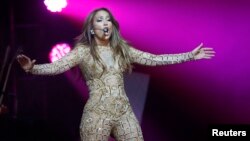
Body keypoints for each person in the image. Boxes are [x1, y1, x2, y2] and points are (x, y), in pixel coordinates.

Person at [17, 7, 215, 141]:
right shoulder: (82, 51)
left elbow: (155, 59)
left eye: (108, 20)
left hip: (123, 112)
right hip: (97, 114)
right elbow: (57, 67)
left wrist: (190, 56)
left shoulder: (123, 50)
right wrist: (33, 69)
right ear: (92, 29)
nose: (105, 23)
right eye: (100, 20)